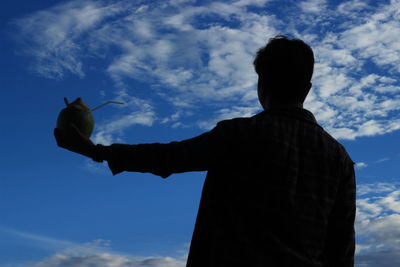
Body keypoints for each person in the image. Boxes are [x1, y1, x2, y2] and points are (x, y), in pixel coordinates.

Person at [54, 35, 356, 267]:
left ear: (262, 84)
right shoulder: (340, 160)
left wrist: (97, 151)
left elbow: (168, 157)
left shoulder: (240, 135)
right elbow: (341, 251)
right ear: (307, 88)